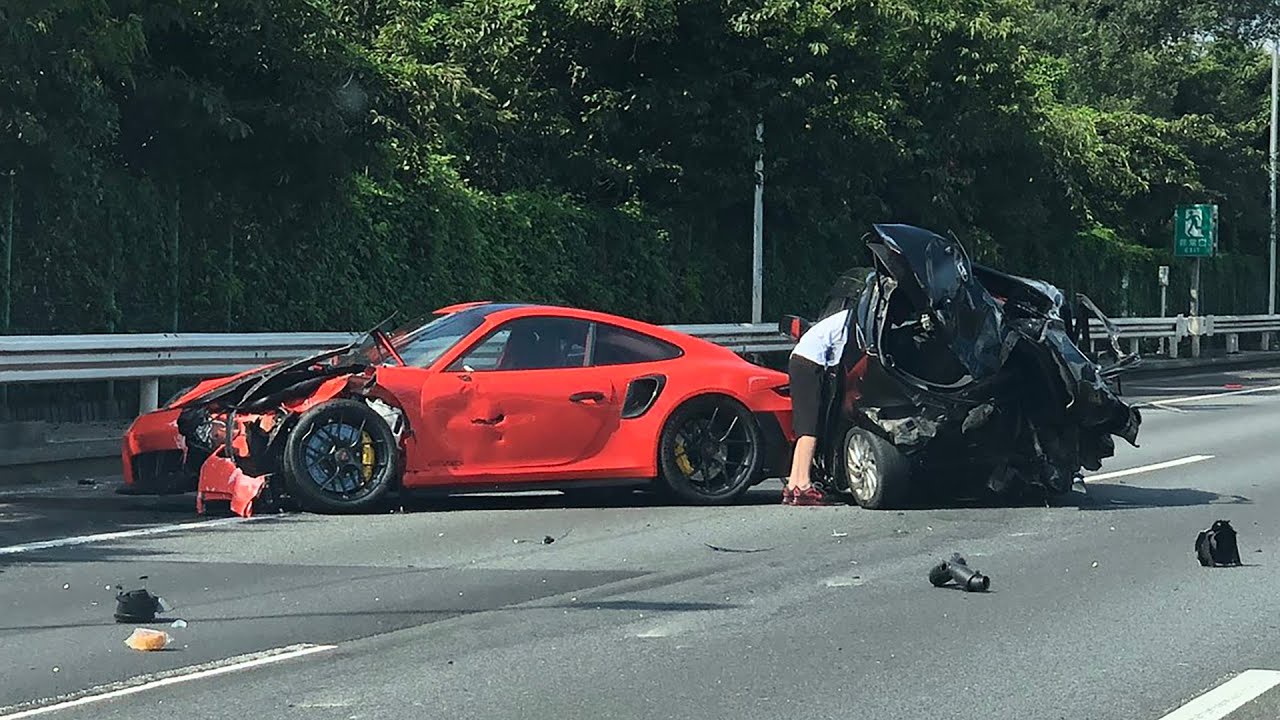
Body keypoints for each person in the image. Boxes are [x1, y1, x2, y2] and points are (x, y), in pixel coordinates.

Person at [783, 308, 852, 506]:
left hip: (799, 359)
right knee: (811, 428)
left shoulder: (842, 317)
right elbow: (838, 358)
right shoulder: (853, 321)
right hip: (811, 362)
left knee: (803, 426)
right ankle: (804, 485)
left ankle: (793, 484)